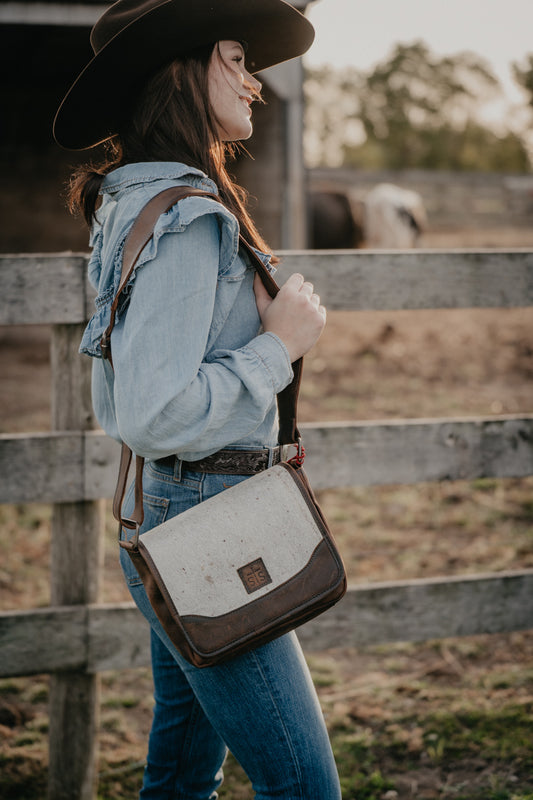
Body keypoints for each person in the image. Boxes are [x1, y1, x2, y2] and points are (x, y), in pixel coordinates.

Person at [54, 1, 341, 797]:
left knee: (182, 771)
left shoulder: (135, 200)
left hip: (174, 507)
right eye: (237, 58)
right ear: (182, 70)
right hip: (204, 525)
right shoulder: (184, 217)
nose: (255, 82)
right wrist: (278, 347)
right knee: (304, 787)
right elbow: (155, 409)